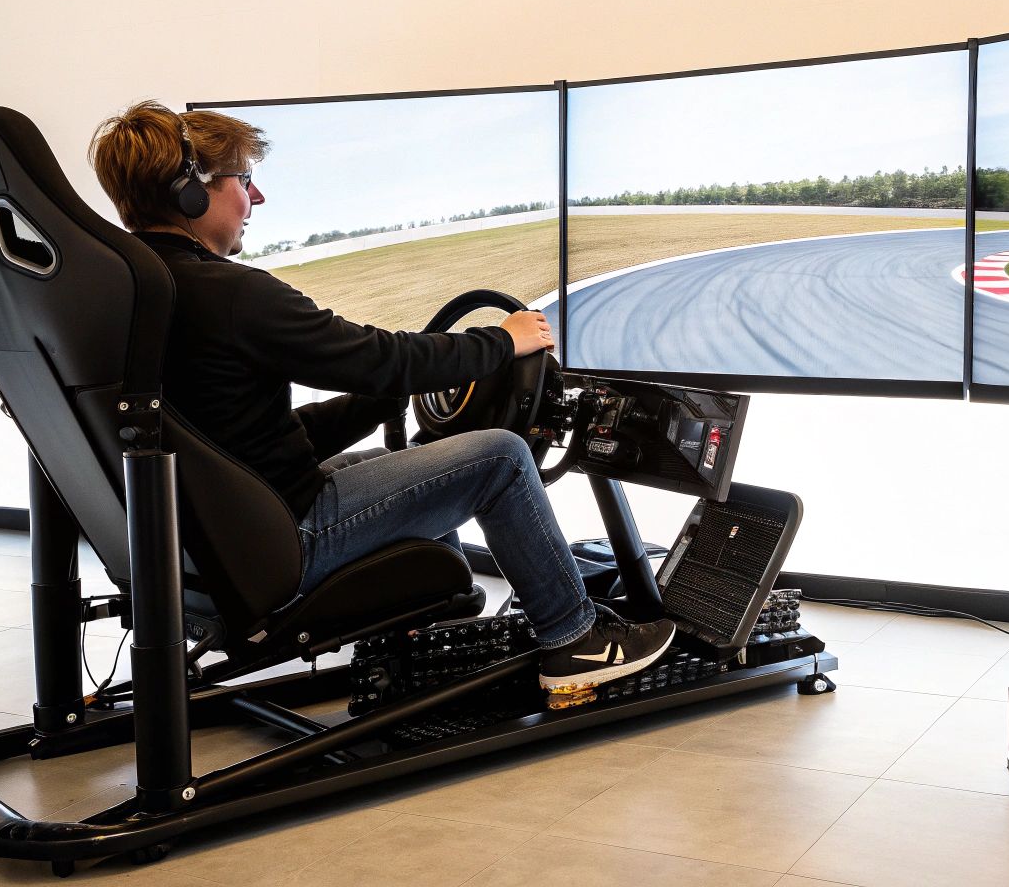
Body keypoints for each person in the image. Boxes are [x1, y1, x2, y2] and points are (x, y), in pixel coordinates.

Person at [87, 100, 672, 693]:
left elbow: (239, 440)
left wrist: (377, 404)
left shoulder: (125, 295)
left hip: (197, 549)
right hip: (283, 544)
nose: (256, 198)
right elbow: (380, 359)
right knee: (499, 457)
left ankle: (425, 620)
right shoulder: (229, 294)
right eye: (244, 179)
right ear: (193, 192)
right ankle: (575, 641)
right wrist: (502, 341)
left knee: (396, 464)